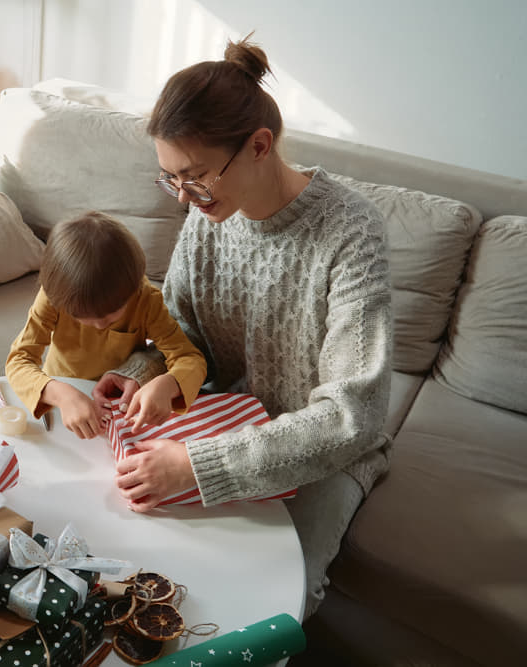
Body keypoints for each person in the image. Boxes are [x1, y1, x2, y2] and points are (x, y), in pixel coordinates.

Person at [93, 35, 393, 618]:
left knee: (273, 600)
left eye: (196, 177)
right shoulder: (209, 218)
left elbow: (352, 416)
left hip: (324, 450)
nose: (184, 198)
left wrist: (195, 467)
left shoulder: (352, 232)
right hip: (229, 414)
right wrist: (144, 373)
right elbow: (181, 329)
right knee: (141, 556)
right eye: (170, 179)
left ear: (260, 146)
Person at [6, 211, 207, 439]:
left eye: (111, 315)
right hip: (61, 394)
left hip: (119, 400)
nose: (99, 325)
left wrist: (169, 384)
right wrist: (60, 395)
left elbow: (190, 359)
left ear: (133, 292)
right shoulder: (54, 297)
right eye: (81, 316)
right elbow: (19, 360)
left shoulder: (146, 300)